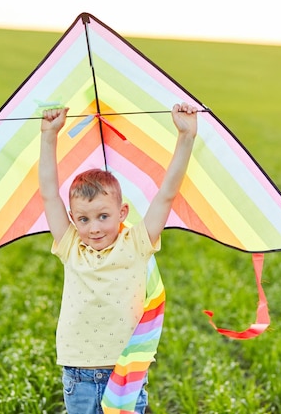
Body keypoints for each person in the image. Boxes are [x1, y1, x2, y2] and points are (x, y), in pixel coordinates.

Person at [39, 103, 198, 414]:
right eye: (83, 219)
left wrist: (186, 135)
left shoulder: (137, 243)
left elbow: (166, 193)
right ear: (72, 219)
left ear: (122, 212)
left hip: (125, 374)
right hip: (78, 375)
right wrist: (48, 136)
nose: (94, 228)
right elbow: (48, 193)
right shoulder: (71, 245)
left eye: (103, 216)